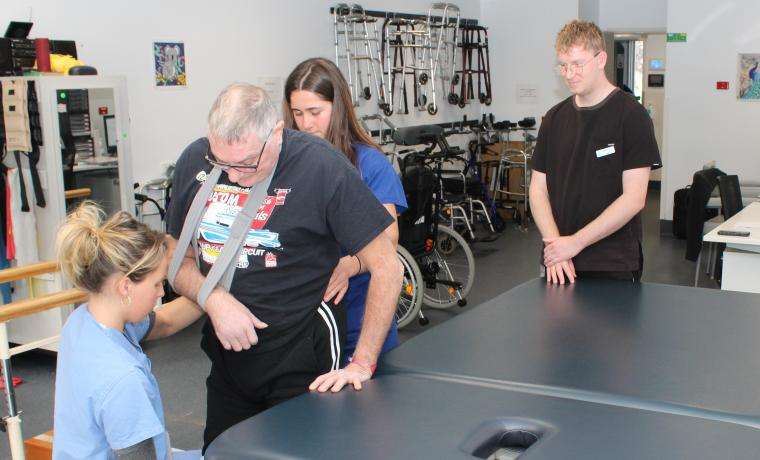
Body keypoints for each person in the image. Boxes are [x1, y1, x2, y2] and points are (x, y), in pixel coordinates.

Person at [166, 83, 401, 450]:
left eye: (246, 164)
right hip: (228, 358)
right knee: (220, 453)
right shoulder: (195, 161)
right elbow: (176, 259)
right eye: (221, 163)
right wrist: (212, 298)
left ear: (276, 132)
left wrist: (363, 363)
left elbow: (389, 266)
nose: (234, 176)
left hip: (301, 356)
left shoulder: (321, 166)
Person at [53, 202, 204, 459]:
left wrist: (213, 295)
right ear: (125, 287)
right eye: (157, 284)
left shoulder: (82, 323)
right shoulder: (122, 380)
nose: (160, 293)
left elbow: (166, 321)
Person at [283, 57, 407, 364]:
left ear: (337, 109)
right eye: (297, 113)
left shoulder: (369, 164)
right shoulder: (288, 165)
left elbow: (388, 240)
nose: (305, 124)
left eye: (315, 112)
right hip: (304, 324)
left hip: (359, 318)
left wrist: (350, 265)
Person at [529, 20, 661, 284]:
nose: (569, 74)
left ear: (601, 59)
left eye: (577, 64)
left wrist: (574, 243)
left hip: (612, 261)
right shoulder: (554, 119)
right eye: (563, 66)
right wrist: (555, 245)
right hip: (560, 260)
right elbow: (538, 189)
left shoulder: (631, 116)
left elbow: (634, 198)